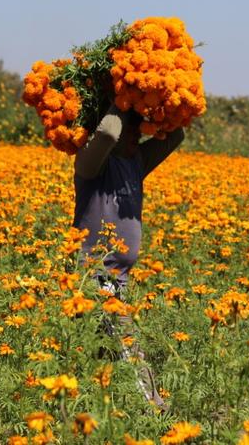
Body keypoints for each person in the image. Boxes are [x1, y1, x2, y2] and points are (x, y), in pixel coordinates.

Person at [72, 102, 184, 412]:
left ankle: (92, 421)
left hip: (118, 281)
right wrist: (122, 98)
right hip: (95, 279)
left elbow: (176, 137)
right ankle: (154, 415)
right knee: (128, 351)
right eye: (132, 128)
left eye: (140, 127)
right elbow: (108, 132)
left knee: (99, 361)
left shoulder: (135, 162)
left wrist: (159, 109)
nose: (138, 133)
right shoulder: (91, 165)